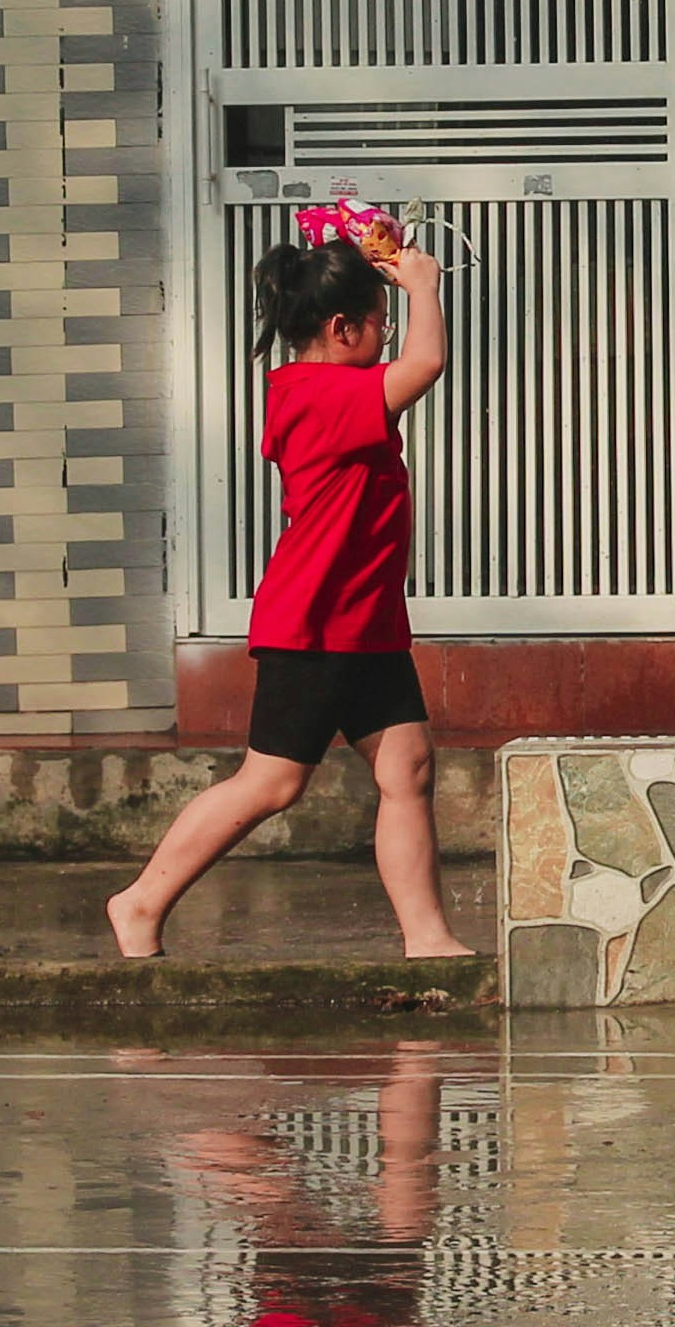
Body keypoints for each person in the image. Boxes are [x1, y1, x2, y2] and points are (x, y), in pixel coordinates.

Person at [108, 235, 473, 961]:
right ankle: (140, 901)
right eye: (380, 323)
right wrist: (423, 285)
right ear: (342, 328)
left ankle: (428, 936)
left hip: (365, 623)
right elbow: (427, 364)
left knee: (407, 769)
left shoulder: (337, 393)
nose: (388, 336)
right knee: (272, 782)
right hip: (314, 622)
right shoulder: (316, 394)